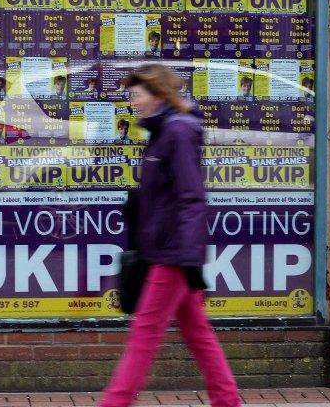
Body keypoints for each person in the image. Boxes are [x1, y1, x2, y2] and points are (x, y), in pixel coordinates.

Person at [99, 64, 240, 407]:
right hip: (165, 247)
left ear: (158, 93)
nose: (132, 101)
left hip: (173, 253)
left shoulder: (177, 131)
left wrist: (188, 255)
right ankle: (228, 401)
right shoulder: (164, 130)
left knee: (144, 335)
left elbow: (191, 196)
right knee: (197, 333)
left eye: (136, 94)